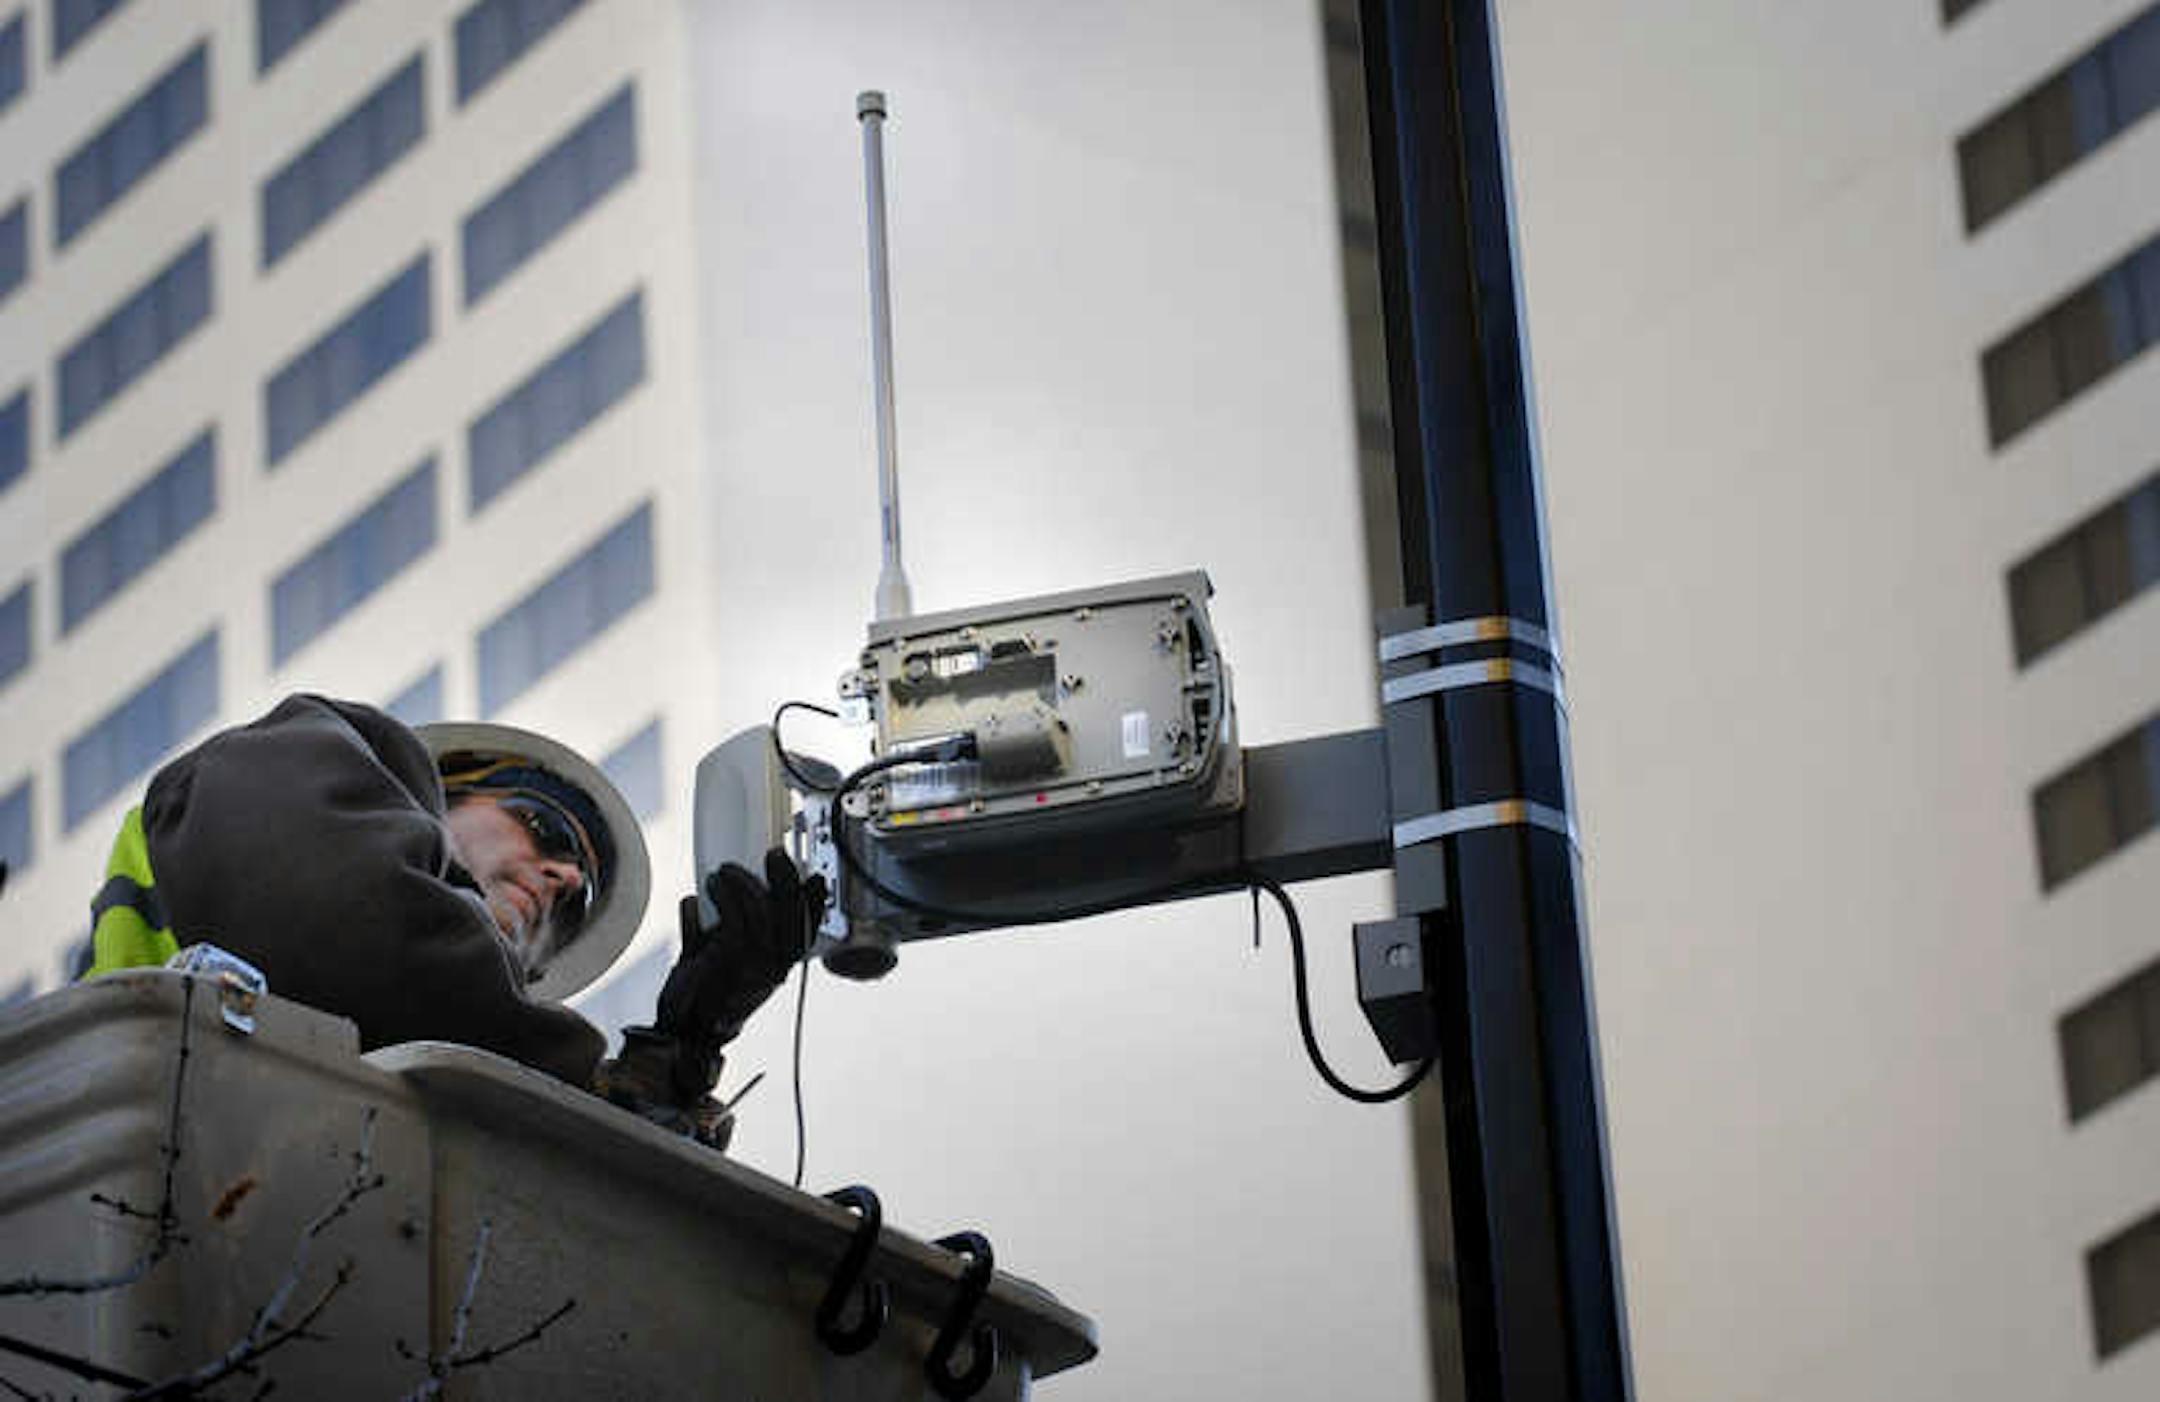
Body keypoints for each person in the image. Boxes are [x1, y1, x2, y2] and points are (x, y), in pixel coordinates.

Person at [84, 693, 817, 1143]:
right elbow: (359, 921)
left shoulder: (453, 1058)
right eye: (546, 831)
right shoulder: (284, 766)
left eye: (573, 908)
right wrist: (605, 1090)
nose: (562, 880)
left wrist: (681, 1059)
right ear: (441, 799)